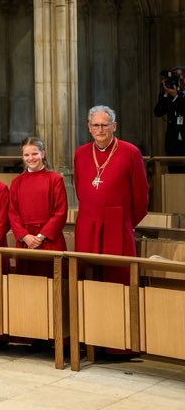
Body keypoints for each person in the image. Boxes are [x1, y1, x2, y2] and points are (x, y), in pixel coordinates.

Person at [73, 105, 149, 284]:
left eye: (104, 125)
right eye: (96, 125)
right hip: (87, 222)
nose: (100, 130)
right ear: (89, 127)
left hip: (117, 223)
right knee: (87, 277)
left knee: (117, 277)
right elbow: (79, 188)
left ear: (114, 126)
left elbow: (141, 195)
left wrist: (125, 222)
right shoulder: (80, 153)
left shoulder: (130, 152)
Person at [8, 136, 67, 276]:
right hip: (26, 242)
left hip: (49, 240)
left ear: (43, 154)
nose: (31, 158)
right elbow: (12, 213)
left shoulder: (55, 179)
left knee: (53, 280)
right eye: (26, 155)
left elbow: (60, 212)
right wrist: (25, 236)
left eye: (35, 153)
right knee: (27, 283)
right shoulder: (17, 182)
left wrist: (40, 237)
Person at [154, 70, 185, 156]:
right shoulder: (170, 96)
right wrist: (165, 94)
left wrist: (176, 96)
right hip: (173, 144)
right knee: (173, 168)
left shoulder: (177, 96)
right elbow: (158, 112)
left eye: (182, 77)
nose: (181, 80)